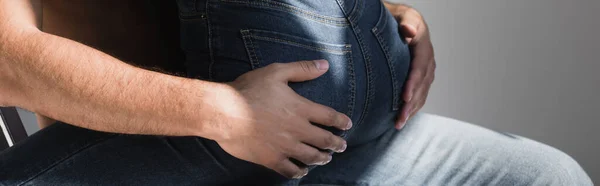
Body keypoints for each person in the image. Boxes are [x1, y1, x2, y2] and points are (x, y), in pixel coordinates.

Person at [0, 0, 592, 185]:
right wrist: (222, 112)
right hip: (177, 147)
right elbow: (8, 60)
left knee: (543, 175)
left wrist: (384, 23)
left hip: (324, 144)